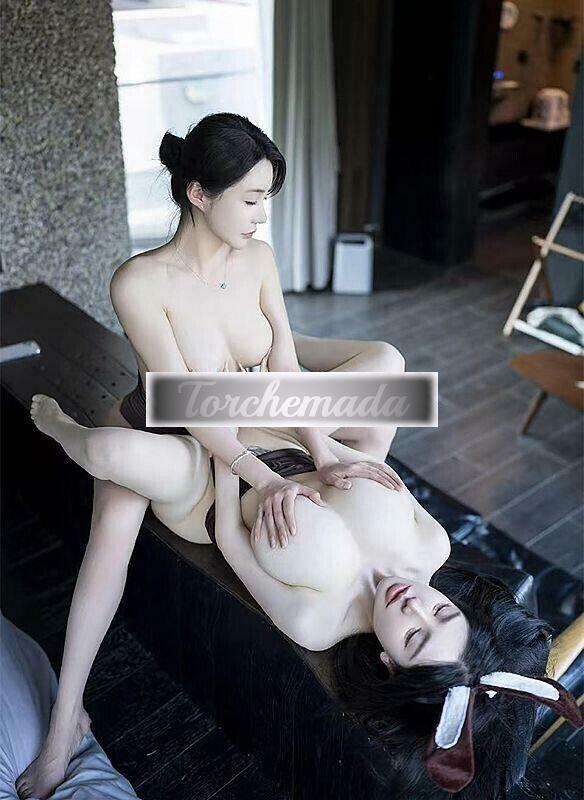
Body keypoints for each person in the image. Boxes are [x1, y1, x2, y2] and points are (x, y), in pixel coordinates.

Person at [16, 112, 405, 800]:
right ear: (199, 194)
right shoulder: (138, 282)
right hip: (173, 424)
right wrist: (264, 478)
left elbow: (283, 366)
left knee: (389, 378)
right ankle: (65, 721)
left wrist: (323, 454)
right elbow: (191, 406)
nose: (263, 214)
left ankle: (343, 479)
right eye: (252, 199)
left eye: (267, 198)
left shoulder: (258, 258)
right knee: (110, 521)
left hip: (256, 414)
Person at [25, 406, 582, 800]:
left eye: (414, 636)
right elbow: (371, 469)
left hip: (211, 487)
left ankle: (60, 428)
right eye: (441, 612)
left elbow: (229, 538)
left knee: (108, 451)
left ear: (388, 663)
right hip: (290, 442)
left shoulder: (322, 622)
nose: (413, 606)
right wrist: (316, 446)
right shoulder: (431, 545)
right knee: (391, 371)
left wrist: (227, 448)